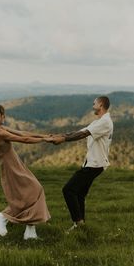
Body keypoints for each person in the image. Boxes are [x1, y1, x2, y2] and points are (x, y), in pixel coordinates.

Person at [0, 104, 51, 240]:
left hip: (16, 164)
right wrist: (44, 140)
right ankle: (1, 217)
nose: (4, 117)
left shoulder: (0, 128)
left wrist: (46, 136)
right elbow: (24, 139)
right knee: (35, 190)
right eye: (3, 114)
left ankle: (30, 233)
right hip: (11, 167)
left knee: (30, 195)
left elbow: (23, 133)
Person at [50, 96, 113, 232]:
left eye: (94, 104)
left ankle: (78, 223)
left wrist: (63, 139)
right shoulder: (100, 121)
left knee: (68, 190)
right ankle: (81, 224)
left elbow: (82, 135)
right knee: (79, 194)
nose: (92, 106)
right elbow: (79, 132)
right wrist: (60, 135)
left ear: (101, 105)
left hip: (95, 165)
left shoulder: (105, 122)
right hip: (92, 164)